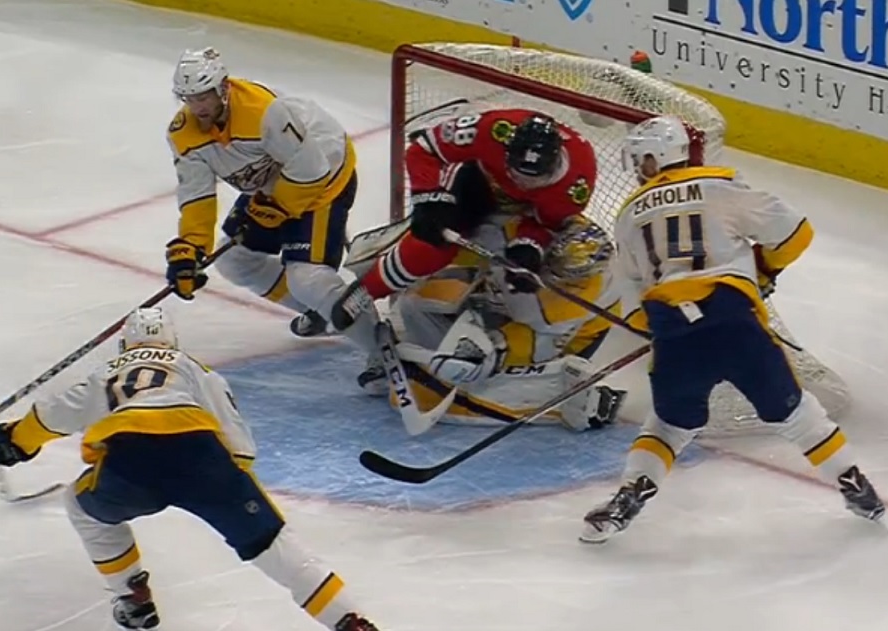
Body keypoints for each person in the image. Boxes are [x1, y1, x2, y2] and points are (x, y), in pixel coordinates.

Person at [579, 116, 885, 543]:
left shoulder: (629, 214)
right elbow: (797, 233)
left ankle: (629, 496)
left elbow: (631, 302)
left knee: (668, 426)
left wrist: (661, 330)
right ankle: (856, 487)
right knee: (797, 414)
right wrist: (763, 270)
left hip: (673, 329)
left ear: (653, 159)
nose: (638, 168)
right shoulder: (720, 185)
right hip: (734, 319)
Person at [0, 308, 381, 631]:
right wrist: (234, 488)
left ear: (125, 345)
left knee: (81, 507)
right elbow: (237, 437)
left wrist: (17, 441)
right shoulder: (193, 368)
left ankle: (131, 598)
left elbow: (56, 413)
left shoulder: (108, 372)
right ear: (172, 342)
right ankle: (347, 620)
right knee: (273, 546)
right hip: (203, 460)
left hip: (131, 467)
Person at [164, 47, 387, 394]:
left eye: (205, 95)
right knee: (236, 261)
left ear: (222, 88)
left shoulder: (263, 112)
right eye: (189, 98)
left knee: (308, 277)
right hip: (271, 184)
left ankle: (383, 350)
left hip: (324, 177)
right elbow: (197, 195)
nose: (198, 107)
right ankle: (324, 312)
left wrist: (277, 208)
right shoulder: (184, 134)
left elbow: (311, 169)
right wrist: (189, 248)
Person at [331, 106, 598, 332]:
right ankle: (367, 290)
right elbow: (424, 149)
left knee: (514, 277)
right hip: (478, 181)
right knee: (432, 245)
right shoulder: (494, 130)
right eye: (516, 170)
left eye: (533, 178)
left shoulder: (576, 185)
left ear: (553, 167)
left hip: (525, 209)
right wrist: (429, 199)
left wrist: (529, 246)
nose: (520, 181)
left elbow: (547, 224)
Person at [390, 215, 626, 431]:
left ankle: (573, 400)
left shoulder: (572, 301)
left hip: (561, 340)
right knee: (419, 301)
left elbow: (527, 329)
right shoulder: (561, 225)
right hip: (518, 316)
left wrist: (494, 349)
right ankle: (419, 360)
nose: (554, 276)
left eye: (561, 274)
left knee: (485, 371)